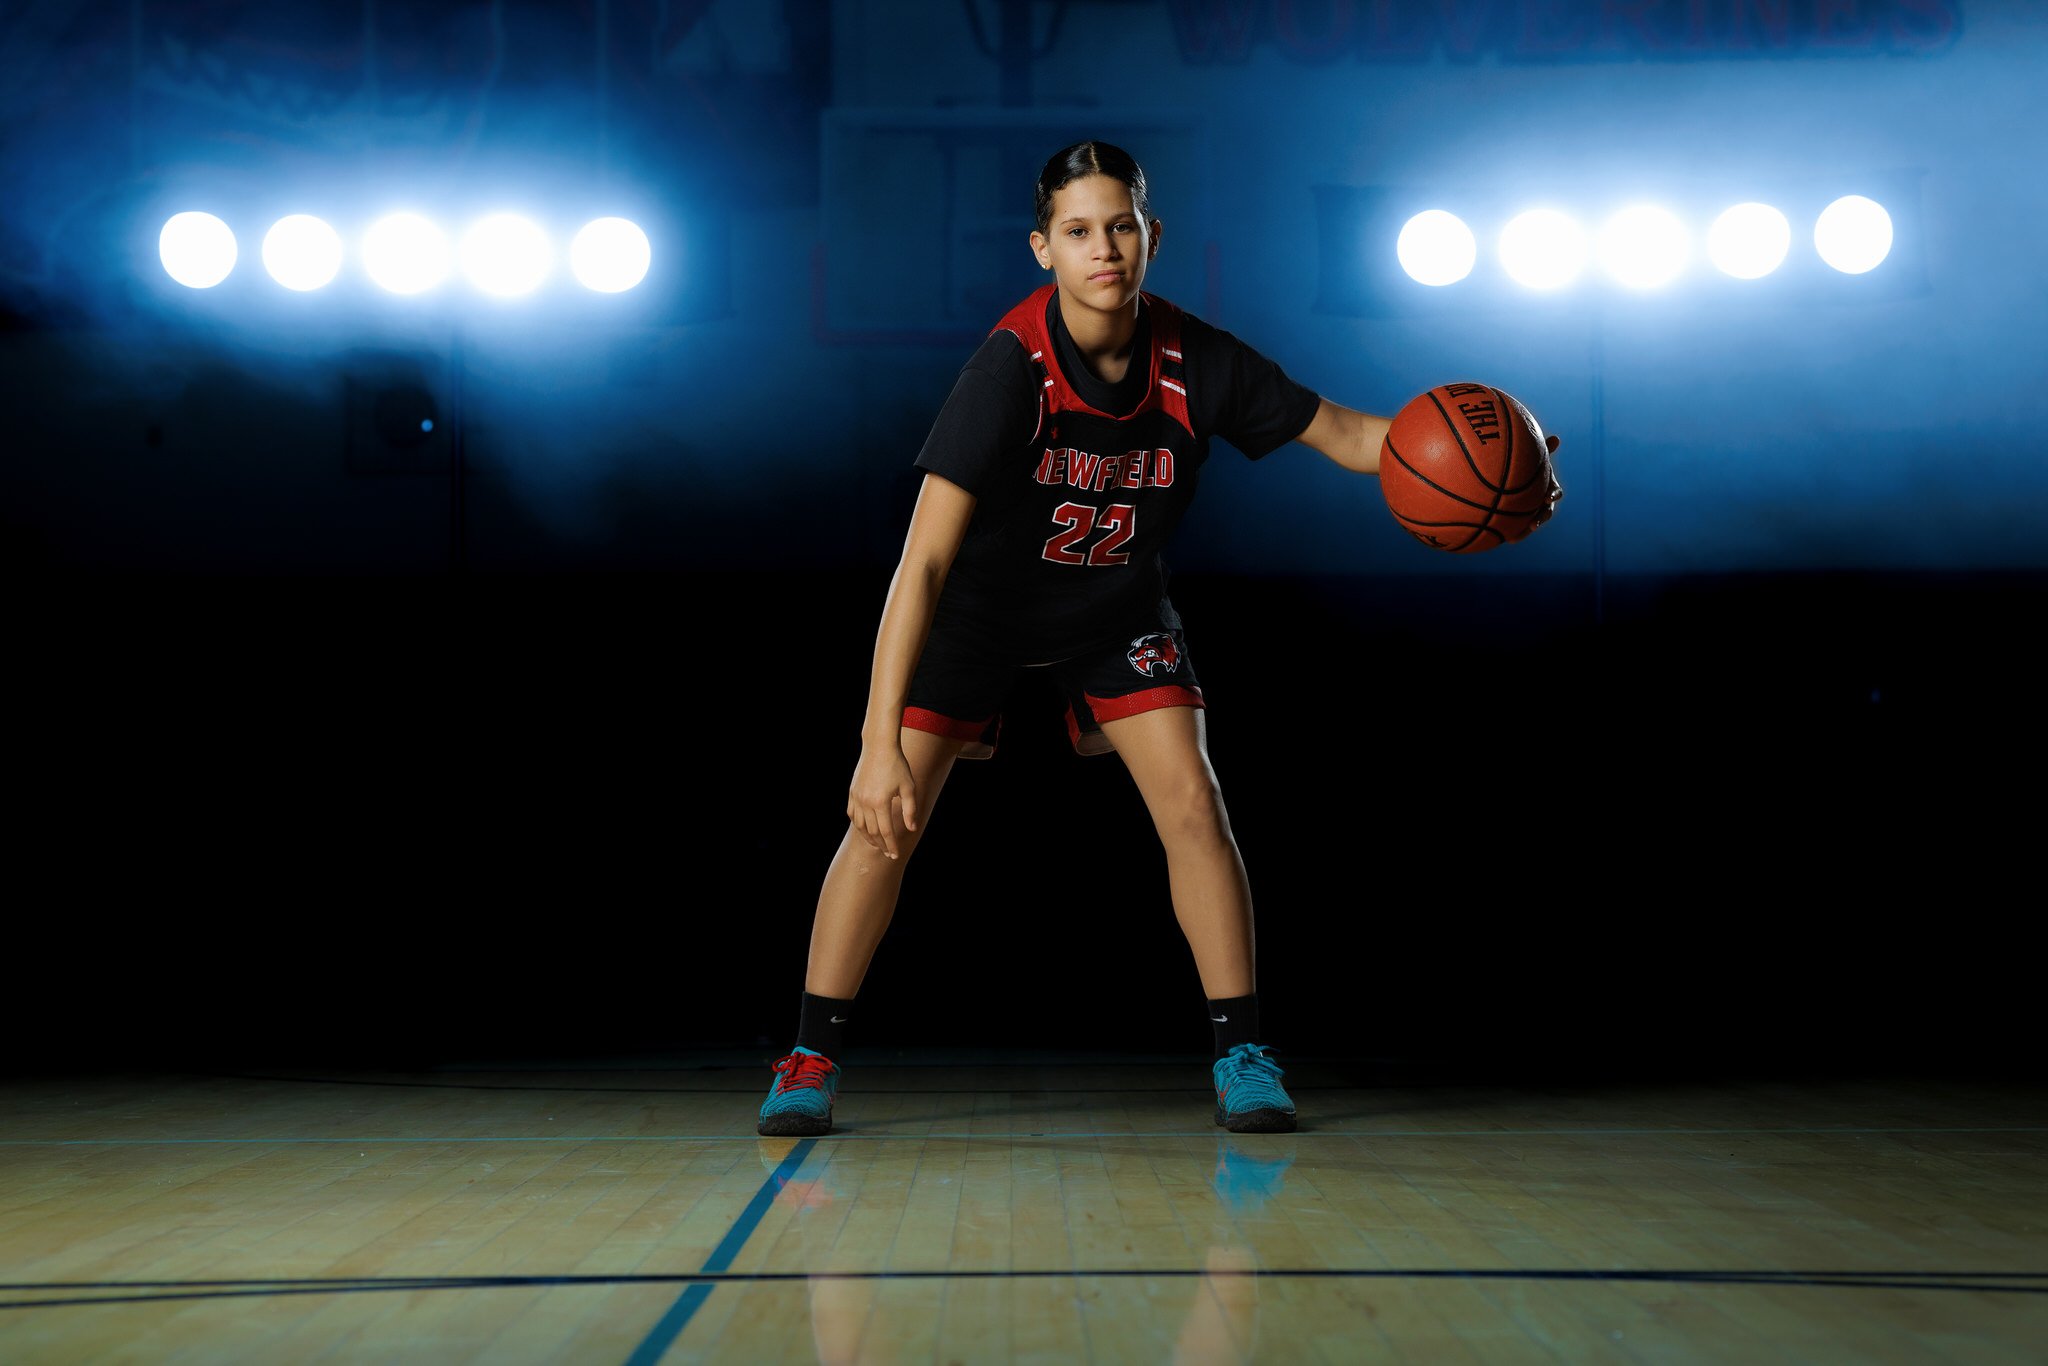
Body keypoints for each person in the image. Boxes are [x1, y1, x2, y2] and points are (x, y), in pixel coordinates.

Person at [758, 140, 1561, 1138]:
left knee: (1193, 801)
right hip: (979, 615)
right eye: (1080, 232)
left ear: (1152, 236)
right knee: (888, 820)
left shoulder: (1199, 361)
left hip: (1113, 611)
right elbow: (918, 565)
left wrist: (1506, 459)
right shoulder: (1010, 371)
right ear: (1042, 249)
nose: (1106, 249)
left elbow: (1359, 438)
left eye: (1122, 226)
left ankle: (1244, 1054)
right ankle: (808, 1053)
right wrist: (876, 747)